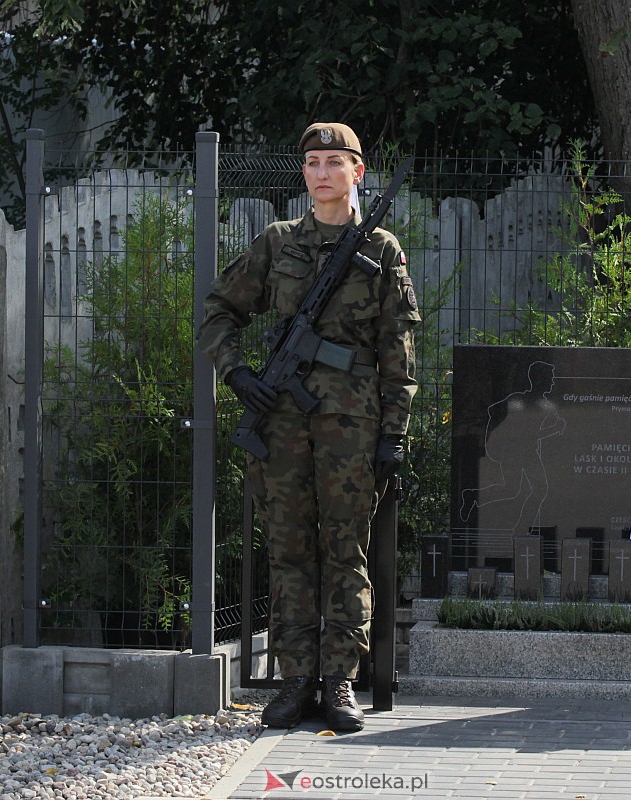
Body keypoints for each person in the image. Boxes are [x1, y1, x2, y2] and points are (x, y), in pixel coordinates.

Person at [197, 122, 419, 731]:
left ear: (357, 173)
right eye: (313, 162)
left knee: (345, 553)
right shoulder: (278, 243)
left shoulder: (381, 250)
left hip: (352, 426)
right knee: (291, 552)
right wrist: (238, 374)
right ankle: (295, 681)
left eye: (334, 162)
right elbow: (218, 311)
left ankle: (339, 681)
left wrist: (393, 433)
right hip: (282, 424)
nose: (322, 173)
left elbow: (397, 350)